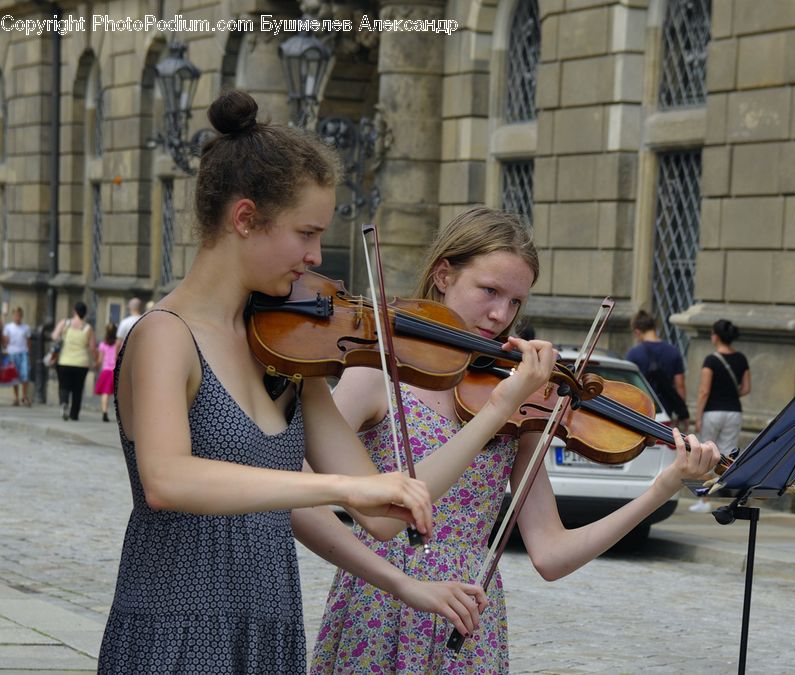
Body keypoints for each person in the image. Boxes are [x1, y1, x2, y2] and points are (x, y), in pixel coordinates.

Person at [97, 91, 557, 673]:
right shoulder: (166, 334)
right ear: (245, 219)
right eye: (306, 233)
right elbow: (168, 479)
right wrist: (340, 488)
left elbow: (386, 511)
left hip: (271, 628)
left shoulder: (287, 354)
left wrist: (402, 581)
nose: (315, 256)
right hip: (177, 626)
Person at [303, 207, 722, 673]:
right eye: (489, 291)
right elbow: (301, 487)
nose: (500, 315)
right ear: (444, 274)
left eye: (516, 302)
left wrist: (663, 488)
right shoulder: (378, 372)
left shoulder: (519, 400)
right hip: (380, 606)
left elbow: (551, 555)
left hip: (467, 617)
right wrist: (369, 559)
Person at [691, 319, 751, 513]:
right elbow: (746, 388)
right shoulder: (741, 358)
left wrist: (698, 417)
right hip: (734, 412)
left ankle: (703, 501)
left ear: (715, 336)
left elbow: (704, 391)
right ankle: (738, 498)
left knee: (706, 454)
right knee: (728, 457)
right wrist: (730, 395)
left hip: (712, 412)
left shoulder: (711, 360)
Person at [625, 309, 689, 424]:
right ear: (654, 328)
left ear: (637, 332)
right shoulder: (673, 351)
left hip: (641, 410)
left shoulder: (633, 353)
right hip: (665, 411)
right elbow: (680, 385)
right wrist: (682, 412)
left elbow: (627, 386)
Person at [51, 301, 95, 421]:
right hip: (81, 363)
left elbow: (54, 335)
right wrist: (95, 360)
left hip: (64, 361)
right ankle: (74, 414)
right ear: (85, 313)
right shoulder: (88, 328)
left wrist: (61, 337)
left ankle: (64, 402)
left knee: (63, 385)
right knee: (78, 389)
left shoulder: (65, 323)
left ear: (74, 311)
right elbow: (92, 347)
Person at [2, 307, 31, 406]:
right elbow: (5, 341)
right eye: (15, 315)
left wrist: (28, 351)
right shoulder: (8, 327)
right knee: (14, 376)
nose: (17, 317)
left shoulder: (26, 328)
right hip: (12, 353)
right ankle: (16, 397)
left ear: (21, 316)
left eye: (19, 315)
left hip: (23, 352)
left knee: (25, 374)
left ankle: (24, 396)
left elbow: (28, 341)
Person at [94, 323, 117, 422]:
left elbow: (100, 359)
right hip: (115, 371)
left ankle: (104, 412)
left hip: (106, 370)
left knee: (105, 393)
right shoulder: (118, 343)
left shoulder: (102, 344)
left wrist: (96, 366)